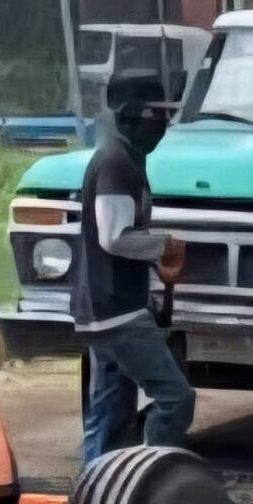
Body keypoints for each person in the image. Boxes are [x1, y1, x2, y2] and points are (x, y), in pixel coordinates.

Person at [76, 72, 193, 464]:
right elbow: (113, 236)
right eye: (151, 113)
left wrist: (155, 260)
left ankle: (94, 489)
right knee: (176, 399)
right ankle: (152, 476)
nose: (159, 122)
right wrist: (164, 244)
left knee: (107, 412)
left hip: (104, 310)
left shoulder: (123, 157)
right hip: (117, 312)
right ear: (128, 115)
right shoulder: (116, 163)